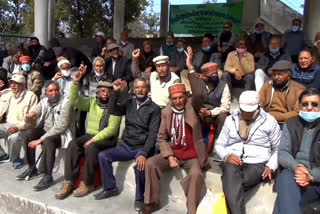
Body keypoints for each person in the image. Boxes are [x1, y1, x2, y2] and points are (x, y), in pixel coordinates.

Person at [55, 65, 121, 199]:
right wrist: (75, 82)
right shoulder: (92, 102)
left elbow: (112, 129)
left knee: (92, 148)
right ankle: (69, 181)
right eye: (102, 91)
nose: (104, 94)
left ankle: (88, 183)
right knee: (73, 144)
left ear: (111, 93)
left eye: (108, 92)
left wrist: (94, 139)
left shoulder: (115, 106)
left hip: (107, 138)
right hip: (90, 135)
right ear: (97, 93)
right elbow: (74, 101)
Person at [95, 78, 161, 211]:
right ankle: (110, 188)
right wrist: (115, 92)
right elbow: (114, 110)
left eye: (143, 87)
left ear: (148, 90)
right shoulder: (130, 102)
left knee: (141, 167)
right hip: (126, 145)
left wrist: (143, 153)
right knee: (103, 156)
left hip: (141, 147)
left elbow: (153, 134)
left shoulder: (154, 109)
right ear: (133, 89)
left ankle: (140, 199)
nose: (140, 90)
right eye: (137, 88)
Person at [142, 83, 208, 214]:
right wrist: (170, 157)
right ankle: (152, 202)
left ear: (186, 97)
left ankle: (191, 210)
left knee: (196, 174)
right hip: (175, 152)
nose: (178, 101)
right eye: (174, 98)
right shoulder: (166, 112)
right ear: (170, 99)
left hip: (192, 154)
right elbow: (161, 137)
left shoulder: (192, 107)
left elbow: (199, 94)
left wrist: (191, 70)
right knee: (151, 163)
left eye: (181, 97)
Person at [215, 90, 281, 214]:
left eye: (250, 111)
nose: (246, 114)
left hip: (257, 163)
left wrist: (271, 166)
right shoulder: (231, 120)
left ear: (258, 107)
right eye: (244, 110)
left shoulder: (269, 121)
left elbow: (278, 148)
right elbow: (220, 144)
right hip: (233, 162)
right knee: (231, 173)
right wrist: (227, 155)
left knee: (231, 183)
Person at [16, 81, 75, 190]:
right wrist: (31, 114)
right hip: (46, 130)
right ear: (46, 93)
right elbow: (36, 109)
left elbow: (61, 127)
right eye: (50, 91)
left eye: (56, 90)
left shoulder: (67, 103)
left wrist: (39, 140)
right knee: (29, 134)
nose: (54, 93)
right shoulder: (44, 101)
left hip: (62, 134)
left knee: (48, 140)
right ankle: (32, 168)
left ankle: (48, 176)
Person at [274, 88, 320, 214]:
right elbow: (283, 152)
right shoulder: (291, 124)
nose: (309, 108)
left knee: (281, 205)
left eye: (315, 104)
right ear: (299, 106)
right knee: (285, 178)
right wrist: (297, 168)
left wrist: (311, 175)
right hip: (293, 175)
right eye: (305, 104)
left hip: (316, 181)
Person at [186, 50, 230, 139]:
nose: (214, 75)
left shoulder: (223, 85)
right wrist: (189, 64)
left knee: (223, 116)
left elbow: (225, 107)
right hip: (202, 114)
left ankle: (219, 141)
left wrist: (210, 112)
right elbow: (194, 96)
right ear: (204, 76)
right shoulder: (199, 84)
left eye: (215, 73)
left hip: (216, 114)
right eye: (211, 74)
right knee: (193, 115)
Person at [0, 74, 38, 167]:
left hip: (24, 126)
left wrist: (18, 127)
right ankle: (2, 154)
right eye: (11, 83)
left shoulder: (31, 96)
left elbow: (32, 120)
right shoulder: (7, 94)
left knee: (14, 137)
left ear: (23, 85)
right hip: (7, 124)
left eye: (16, 84)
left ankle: (15, 159)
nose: (13, 86)